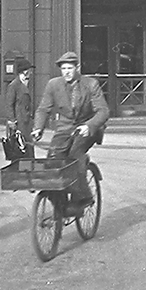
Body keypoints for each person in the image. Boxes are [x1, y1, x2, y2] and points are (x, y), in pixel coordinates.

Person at [32, 51, 108, 210]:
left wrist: (90, 125)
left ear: (77, 67)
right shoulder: (54, 85)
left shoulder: (90, 84)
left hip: (86, 127)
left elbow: (103, 111)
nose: (66, 72)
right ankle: (57, 200)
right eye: (63, 69)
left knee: (75, 155)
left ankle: (83, 197)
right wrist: (38, 128)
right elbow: (43, 109)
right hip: (64, 128)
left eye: (70, 68)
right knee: (53, 159)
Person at [5, 57, 35, 159]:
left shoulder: (26, 83)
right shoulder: (14, 85)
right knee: (20, 149)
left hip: (26, 122)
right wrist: (12, 121)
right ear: (24, 72)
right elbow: (9, 104)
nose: (30, 73)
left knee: (28, 149)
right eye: (29, 71)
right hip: (19, 123)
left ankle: (28, 169)